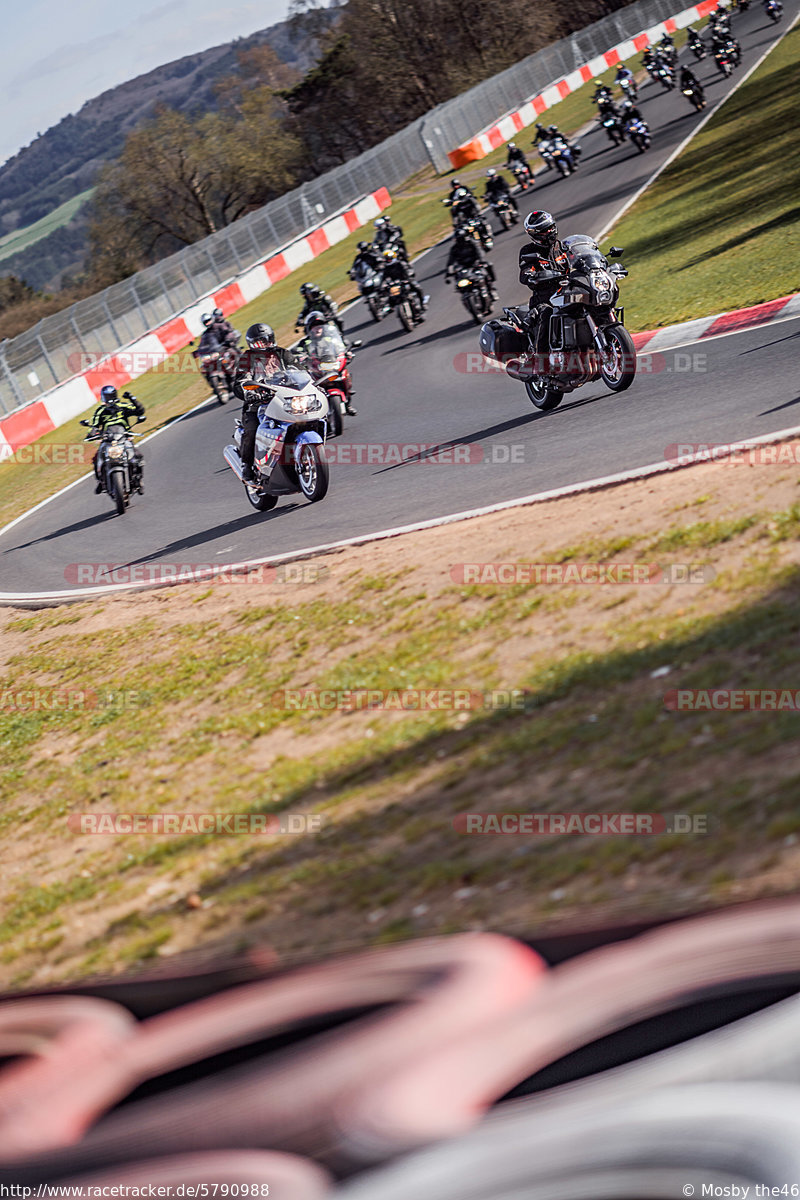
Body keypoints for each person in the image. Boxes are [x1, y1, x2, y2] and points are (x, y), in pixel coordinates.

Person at [232, 323, 302, 483]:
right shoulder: (247, 359)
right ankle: (246, 466)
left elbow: (299, 370)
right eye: (259, 342)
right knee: (252, 428)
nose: (264, 344)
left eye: (266, 340)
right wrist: (249, 392)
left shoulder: (283, 353)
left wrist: (313, 382)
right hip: (258, 404)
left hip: (284, 399)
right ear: (252, 344)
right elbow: (239, 382)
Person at [517, 210, 567, 358]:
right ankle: (541, 361)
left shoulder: (563, 247)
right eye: (545, 231)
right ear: (535, 234)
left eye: (550, 227)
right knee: (547, 314)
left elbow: (580, 258)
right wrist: (532, 276)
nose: (549, 232)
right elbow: (525, 272)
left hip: (569, 293)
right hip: (545, 299)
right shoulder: (529, 252)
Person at [88, 385, 145, 494]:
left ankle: (139, 480)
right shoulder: (100, 411)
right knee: (96, 459)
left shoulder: (123, 406)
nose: (109, 398)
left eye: (111, 395)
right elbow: (94, 425)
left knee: (138, 456)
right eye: (107, 396)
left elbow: (139, 411)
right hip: (107, 440)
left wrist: (132, 399)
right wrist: (91, 434)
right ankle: (100, 481)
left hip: (124, 438)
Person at [300, 310, 357, 415]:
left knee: (344, 372)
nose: (317, 328)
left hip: (332, 364)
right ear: (309, 328)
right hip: (316, 368)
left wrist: (347, 351)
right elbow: (297, 352)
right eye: (314, 326)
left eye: (320, 325)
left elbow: (342, 345)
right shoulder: (305, 342)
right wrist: (300, 357)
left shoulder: (330, 338)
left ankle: (348, 401)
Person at [444, 231, 498, 300]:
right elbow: (450, 261)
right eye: (457, 239)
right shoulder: (454, 248)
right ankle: (463, 292)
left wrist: (480, 261)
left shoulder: (472, 243)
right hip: (463, 266)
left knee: (488, 267)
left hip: (475, 263)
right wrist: (448, 272)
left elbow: (479, 251)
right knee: (458, 277)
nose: (459, 241)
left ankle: (491, 290)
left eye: (460, 238)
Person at [380, 246, 427, 320]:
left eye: (389, 258)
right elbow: (383, 278)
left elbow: (408, 270)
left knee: (417, 288)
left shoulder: (400, 263)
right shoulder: (386, 268)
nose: (388, 260)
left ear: (393, 256)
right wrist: (383, 286)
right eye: (386, 258)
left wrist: (408, 278)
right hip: (395, 285)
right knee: (390, 298)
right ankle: (388, 308)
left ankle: (422, 303)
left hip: (405, 281)